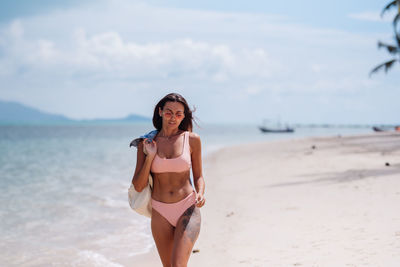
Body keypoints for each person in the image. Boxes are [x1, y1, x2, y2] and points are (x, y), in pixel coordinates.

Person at [131, 93, 205, 267]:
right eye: (169, 112)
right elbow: (138, 185)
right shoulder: (146, 143)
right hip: (160, 212)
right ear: (160, 112)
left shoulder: (192, 140)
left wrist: (200, 193)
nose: (173, 117)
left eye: (179, 114)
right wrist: (150, 156)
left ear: (184, 116)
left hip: (187, 207)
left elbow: (199, 175)